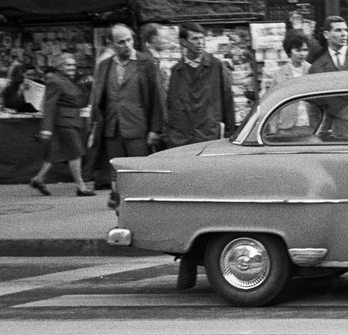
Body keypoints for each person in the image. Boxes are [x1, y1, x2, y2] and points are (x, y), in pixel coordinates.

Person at [88, 23, 164, 205]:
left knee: (139, 168)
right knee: (116, 168)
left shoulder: (146, 63)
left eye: (129, 40)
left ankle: (142, 202)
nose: (127, 45)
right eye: (121, 42)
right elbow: (99, 95)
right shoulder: (105, 65)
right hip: (112, 127)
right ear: (112, 44)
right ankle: (119, 198)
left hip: (138, 126)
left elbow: (158, 98)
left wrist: (155, 129)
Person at [163, 23, 237, 149]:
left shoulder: (216, 66)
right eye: (195, 39)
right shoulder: (176, 71)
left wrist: (230, 134)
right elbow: (170, 106)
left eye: (202, 38)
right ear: (184, 42)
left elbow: (227, 101)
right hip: (182, 139)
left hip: (208, 136)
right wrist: (169, 134)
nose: (200, 42)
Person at [31, 51, 95, 197]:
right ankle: (81, 186)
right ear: (60, 66)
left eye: (73, 64)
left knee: (55, 153)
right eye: (68, 64)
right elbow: (49, 106)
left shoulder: (68, 80)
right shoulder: (55, 81)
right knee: (76, 153)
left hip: (73, 121)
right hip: (65, 122)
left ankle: (39, 179)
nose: (72, 67)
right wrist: (46, 129)